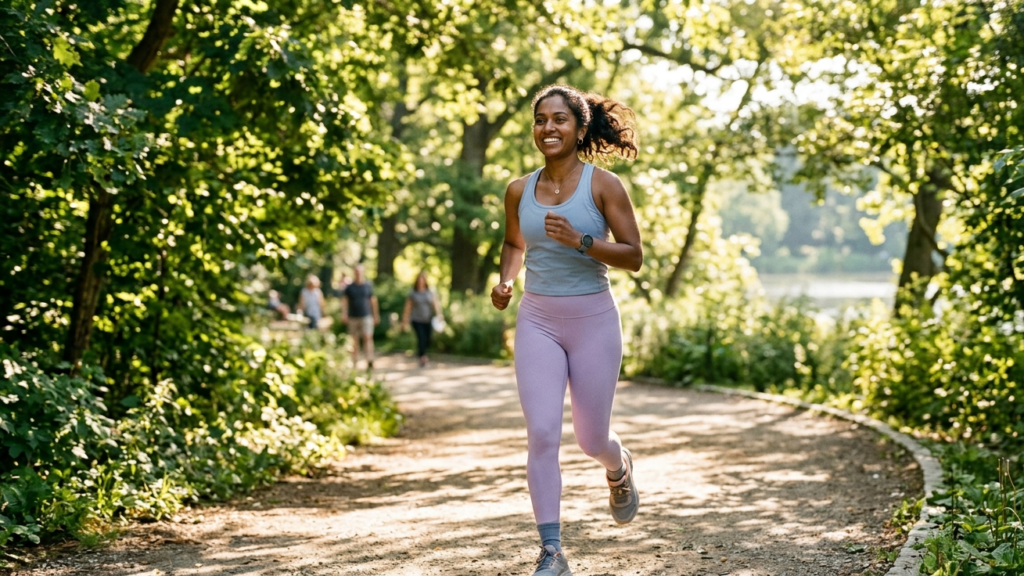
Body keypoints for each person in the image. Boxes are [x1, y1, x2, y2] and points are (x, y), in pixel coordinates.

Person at [490, 84, 642, 576]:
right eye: (540, 120)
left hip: (594, 319)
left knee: (591, 438)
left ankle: (617, 470)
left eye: (559, 119)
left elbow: (633, 256)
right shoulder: (519, 189)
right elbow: (514, 244)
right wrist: (506, 280)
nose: (548, 128)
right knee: (541, 433)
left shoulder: (604, 186)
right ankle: (552, 551)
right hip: (537, 319)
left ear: (579, 128)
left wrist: (582, 241)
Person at [341, 263, 380, 369]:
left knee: (368, 337)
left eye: (360, 271)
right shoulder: (349, 288)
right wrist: (344, 314)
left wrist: (375, 315)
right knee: (354, 340)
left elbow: (373, 301)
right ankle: (354, 362)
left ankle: (370, 360)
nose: (358, 274)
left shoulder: (368, 285)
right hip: (353, 316)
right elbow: (345, 301)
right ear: (354, 273)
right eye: (356, 272)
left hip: (366, 316)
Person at [401, 271, 444, 368]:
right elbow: (408, 308)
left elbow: (435, 304)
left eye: (423, 280)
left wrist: (439, 315)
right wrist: (404, 321)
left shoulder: (430, 291)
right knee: (421, 338)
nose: (421, 281)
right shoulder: (413, 293)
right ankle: (423, 358)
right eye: (419, 280)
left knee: (428, 339)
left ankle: (422, 353)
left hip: (428, 319)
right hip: (416, 320)